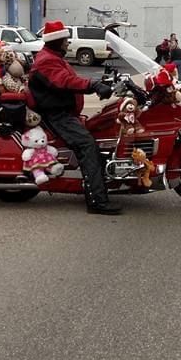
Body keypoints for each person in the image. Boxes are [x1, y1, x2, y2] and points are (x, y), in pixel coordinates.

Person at [27, 20, 119, 215]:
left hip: (64, 112)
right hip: (56, 115)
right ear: (56, 40)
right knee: (87, 145)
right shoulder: (46, 60)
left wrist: (102, 81)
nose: (68, 43)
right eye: (65, 39)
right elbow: (64, 81)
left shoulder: (53, 56)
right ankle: (96, 201)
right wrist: (93, 85)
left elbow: (68, 78)